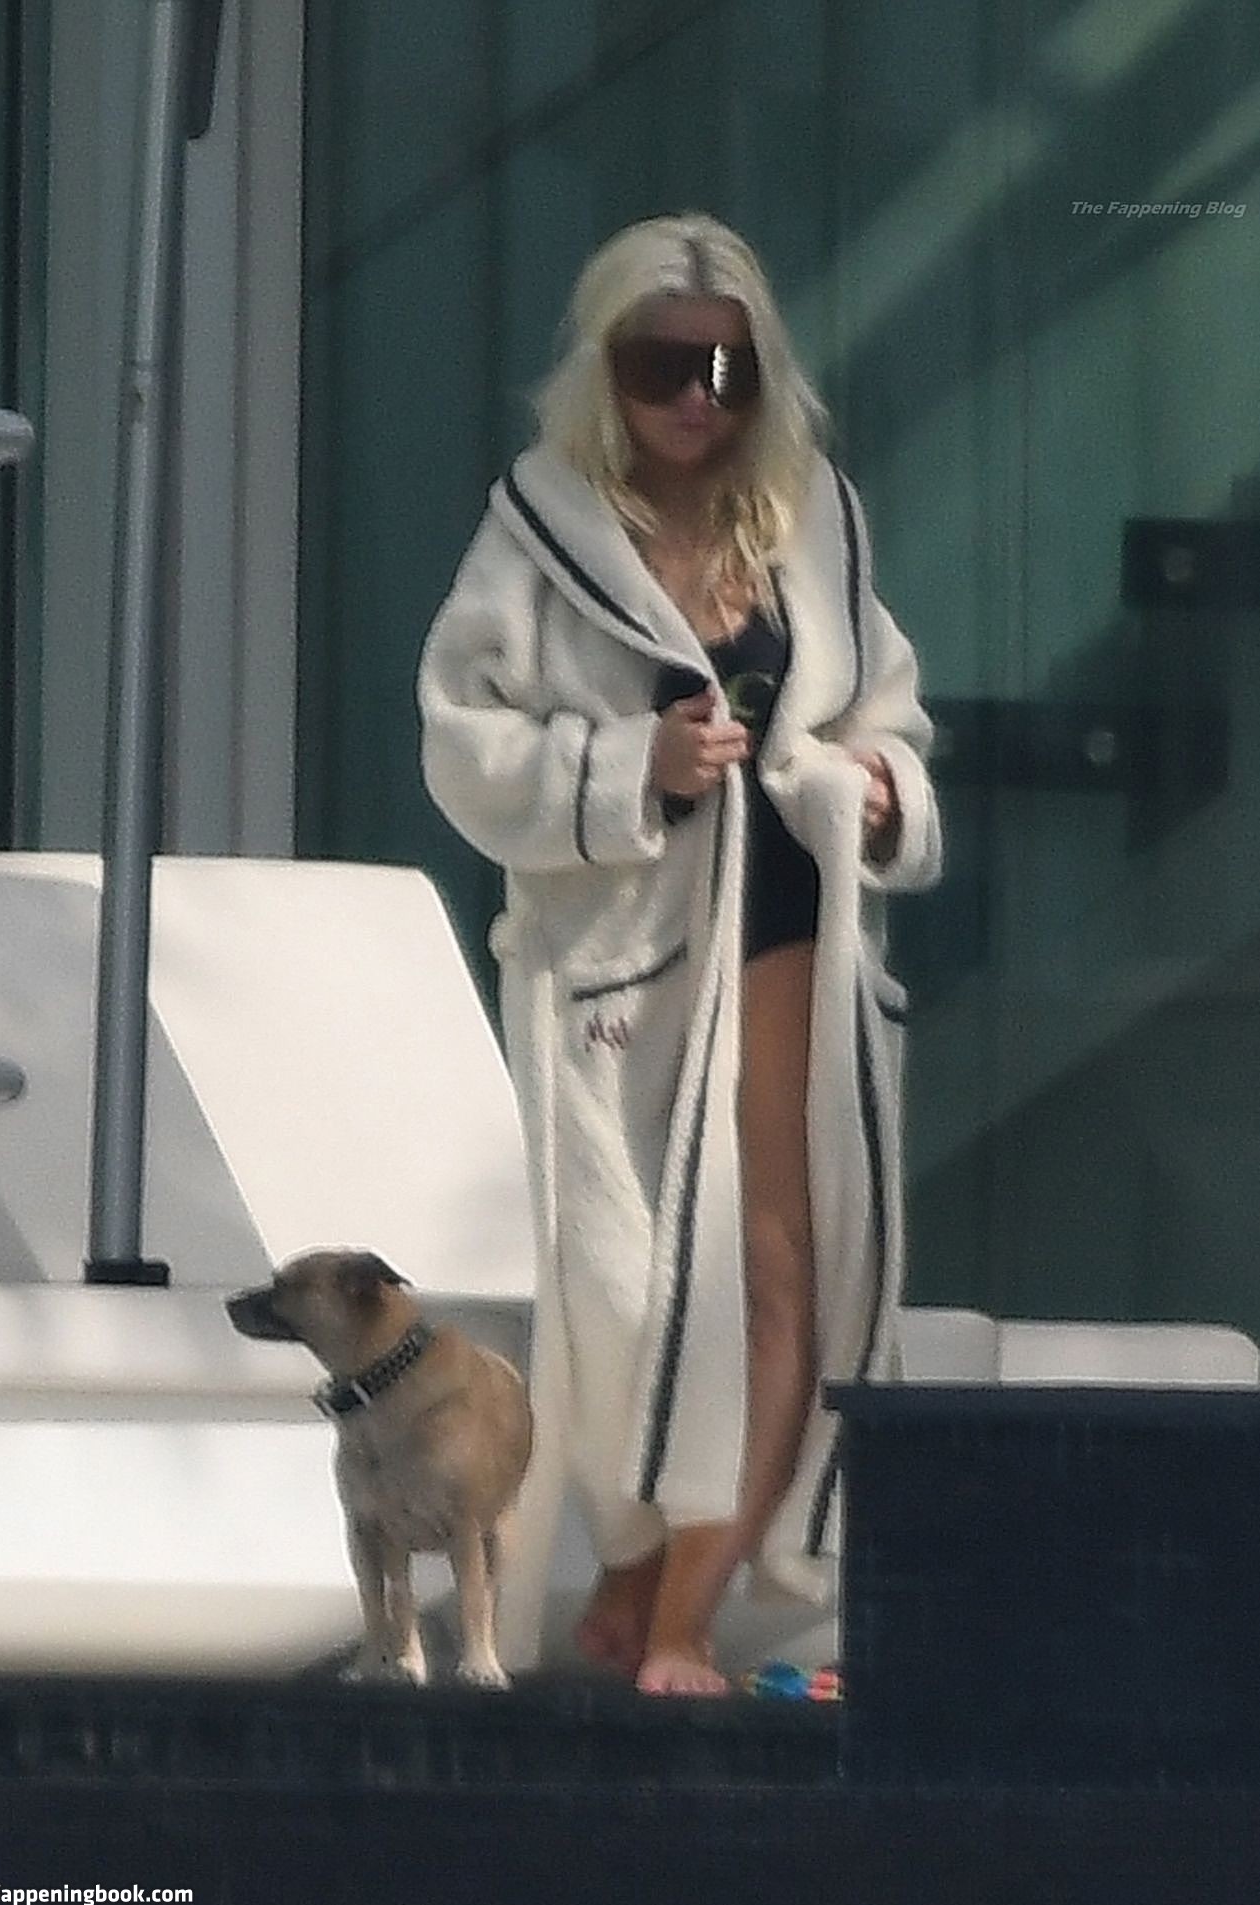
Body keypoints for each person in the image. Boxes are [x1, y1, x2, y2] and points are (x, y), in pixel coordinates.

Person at [418, 212, 941, 1696]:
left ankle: (678, 1625)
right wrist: (624, 766)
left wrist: (883, 789)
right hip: (623, 962)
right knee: (628, 1297)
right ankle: (635, 1570)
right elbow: (461, 743)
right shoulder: (539, 529)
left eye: (727, 368)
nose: (696, 399)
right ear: (607, 367)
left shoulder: (813, 521)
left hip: (790, 935)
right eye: (661, 365)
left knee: (785, 1279)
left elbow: (885, 708)